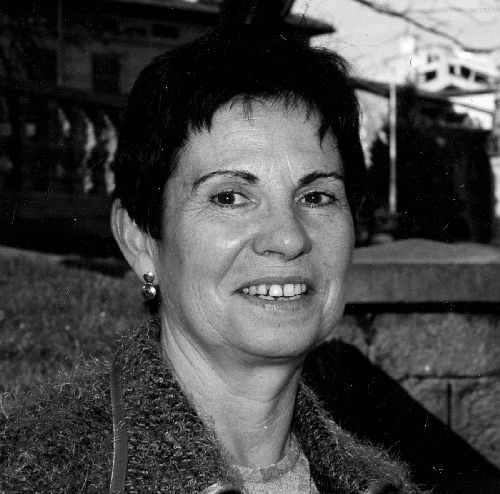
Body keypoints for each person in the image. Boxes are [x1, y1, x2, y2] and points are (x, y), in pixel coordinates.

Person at [0, 27, 423, 494]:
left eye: (317, 196)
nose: (288, 238)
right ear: (140, 240)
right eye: (229, 197)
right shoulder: (34, 473)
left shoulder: (380, 484)